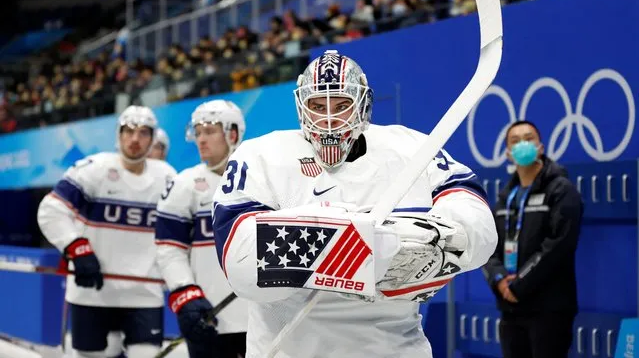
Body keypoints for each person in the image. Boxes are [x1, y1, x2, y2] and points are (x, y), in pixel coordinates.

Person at [211, 49, 498, 358]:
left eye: (342, 104)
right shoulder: (259, 157)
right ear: (301, 106)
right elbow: (243, 266)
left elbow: (479, 226)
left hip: (396, 349)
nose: (330, 118)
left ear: (363, 104)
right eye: (318, 106)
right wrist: (365, 246)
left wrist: (440, 239)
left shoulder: (411, 147)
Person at [37, 105, 177, 358]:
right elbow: (51, 209)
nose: (135, 139)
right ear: (118, 134)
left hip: (143, 294)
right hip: (93, 293)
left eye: (144, 132)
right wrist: (76, 248)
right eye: (129, 131)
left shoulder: (168, 178)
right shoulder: (93, 169)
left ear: (153, 137)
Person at [155, 100, 249, 358]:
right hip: (211, 318)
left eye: (209, 131)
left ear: (232, 133)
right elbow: (169, 249)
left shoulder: (262, 177)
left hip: (263, 319)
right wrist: (185, 292)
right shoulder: (183, 184)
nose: (201, 140)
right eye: (197, 133)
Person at [482, 120, 583, 358]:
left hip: (549, 308)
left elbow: (559, 245)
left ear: (540, 147)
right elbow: (489, 246)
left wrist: (519, 284)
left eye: (529, 139)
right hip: (510, 308)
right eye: (515, 141)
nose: (522, 145)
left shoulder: (560, 190)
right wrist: (499, 280)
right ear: (507, 153)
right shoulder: (507, 197)